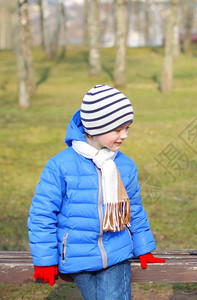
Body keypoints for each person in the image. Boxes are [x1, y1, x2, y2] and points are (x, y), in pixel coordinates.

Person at [28, 84, 165, 299]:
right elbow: (42, 214)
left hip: (116, 251)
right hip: (77, 254)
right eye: (118, 129)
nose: (125, 135)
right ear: (95, 127)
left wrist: (143, 246)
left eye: (128, 128)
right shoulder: (61, 166)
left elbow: (134, 209)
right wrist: (45, 259)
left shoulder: (125, 165)